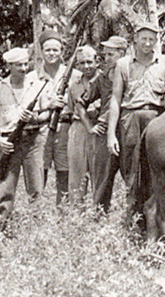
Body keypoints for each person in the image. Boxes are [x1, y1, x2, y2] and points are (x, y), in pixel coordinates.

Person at [0, 48, 49, 229]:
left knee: (37, 187)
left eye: (25, 64)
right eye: (18, 65)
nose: (23, 68)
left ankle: (38, 231)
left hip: (33, 140)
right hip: (9, 142)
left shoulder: (36, 85)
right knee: (4, 189)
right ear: (9, 66)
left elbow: (47, 113)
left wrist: (35, 118)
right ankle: (1, 228)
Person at [107, 23, 165, 189]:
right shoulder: (123, 64)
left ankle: (155, 211)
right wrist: (111, 134)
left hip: (157, 119)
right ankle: (134, 210)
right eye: (144, 38)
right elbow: (115, 99)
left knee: (157, 166)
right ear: (135, 39)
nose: (147, 43)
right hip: (131, 119)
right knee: (131, 167)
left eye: (151, 39)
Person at [27, 30, 82, 205]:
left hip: (66, 128)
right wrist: (48, 106)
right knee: (39, 172)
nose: (51, 54)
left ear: (62, 52)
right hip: (40, 130)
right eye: (48, 50)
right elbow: (27, 112)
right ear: (41, 51)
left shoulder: (74, 76)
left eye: (55, 50)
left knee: (64, 171)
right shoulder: (31, 78)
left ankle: (63, 211)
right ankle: (37, 212)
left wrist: (67, 102)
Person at [75, 36, 127, 213]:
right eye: (105, 55)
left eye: (111, 54)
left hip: (127, 130)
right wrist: (90, 126)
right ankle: (99, 218)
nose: (106, 59)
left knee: (133, 178)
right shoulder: (102, 78)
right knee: (101, 181)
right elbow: (80, 103)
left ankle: (133, 221)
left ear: (123, 54)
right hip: (104, 132)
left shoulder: (131, 75)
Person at [66, 45, 101, 207]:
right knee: (77, 174)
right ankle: (76, 212)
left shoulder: (105, 81)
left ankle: (99, 211)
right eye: (81, 63)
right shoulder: (74, 85)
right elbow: (74, 108)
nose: (86, 66)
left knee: (99, 174)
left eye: (89, 62)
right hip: (79, 129)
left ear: (97, 61)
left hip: (99, 128)